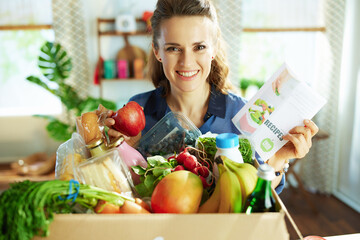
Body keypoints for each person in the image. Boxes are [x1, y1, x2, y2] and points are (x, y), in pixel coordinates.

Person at [105, 0, 319, 194]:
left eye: (199, 47)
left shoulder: (243, 116)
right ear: (157, 51)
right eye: (173, 48)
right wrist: (105, 147)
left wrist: (279, 159)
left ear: (214, 48)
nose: (186, 62)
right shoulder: (138, 111)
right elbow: (120, 189)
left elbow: (254, 198)